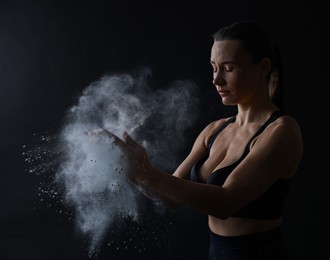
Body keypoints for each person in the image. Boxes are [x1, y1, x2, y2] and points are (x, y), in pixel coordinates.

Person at [104, 21, 303, 259]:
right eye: (213, 68)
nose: (217, 80)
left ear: (263, 68)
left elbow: (225, 203)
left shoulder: (281, 131)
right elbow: (168, 197)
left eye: (228, 68)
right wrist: (131, 167)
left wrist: (145, 173)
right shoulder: (215, 130)